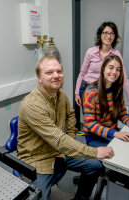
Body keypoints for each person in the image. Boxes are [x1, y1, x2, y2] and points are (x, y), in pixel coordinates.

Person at [17, 55, 114, 200]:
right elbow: (58, 140)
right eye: (49, 72)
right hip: (37, 158)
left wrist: (70, 137)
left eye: (59, 71)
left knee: (95, 167)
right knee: (38, 197)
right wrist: (94, 152)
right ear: (39, 77)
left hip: (59, 150)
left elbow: (70, 115)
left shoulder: (60, 94)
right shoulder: (32, 105)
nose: (56, 76)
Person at [82, 55, 129, 147]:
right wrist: (115, 134)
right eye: (111, 68)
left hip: (112, 133)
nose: (114, 72)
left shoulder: (116, 90)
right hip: (95, 137)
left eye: (118, 69)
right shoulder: (91, 92)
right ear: (103, 69)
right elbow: (89, 123)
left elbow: (122, 115)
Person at [75, 21, 129, 115]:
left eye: (112, 33)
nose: (108, 36)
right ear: (100, 35)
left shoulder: (116, 54)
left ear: (115, 36)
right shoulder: (90, 52)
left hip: (104, 90)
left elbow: (124, 78)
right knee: (89, 119)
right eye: (105, 33)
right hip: (86, 88)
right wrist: (76, 93)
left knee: (103, 119)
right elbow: (82, 73)